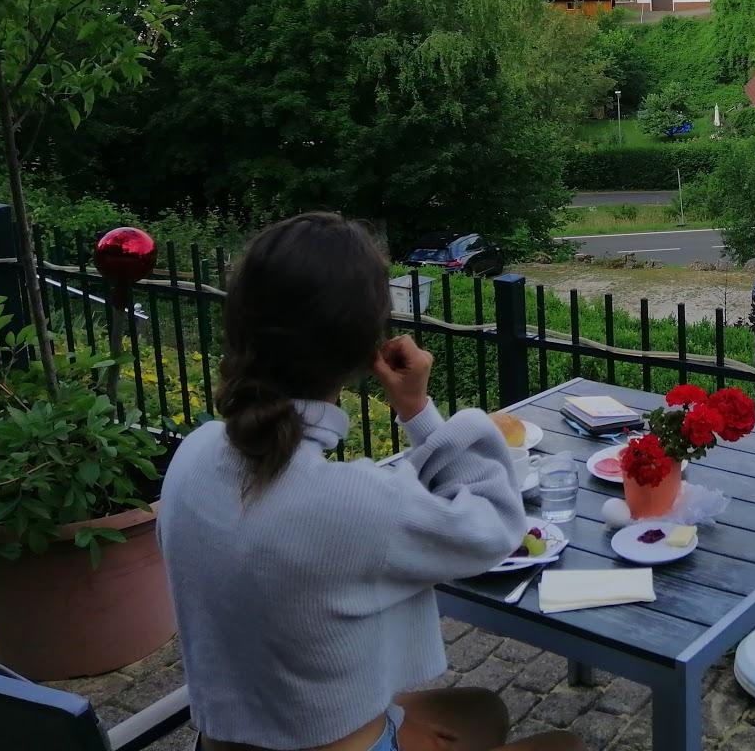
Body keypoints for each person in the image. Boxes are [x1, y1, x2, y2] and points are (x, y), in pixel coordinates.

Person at [158, 213, 584, 751]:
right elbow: (496, 528)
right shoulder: (350, 500)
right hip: (337, 741)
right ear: (368, 348)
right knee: (567, 746)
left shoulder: (194, 455)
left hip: (229, 740)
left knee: (483, 710)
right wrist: (418, 409)